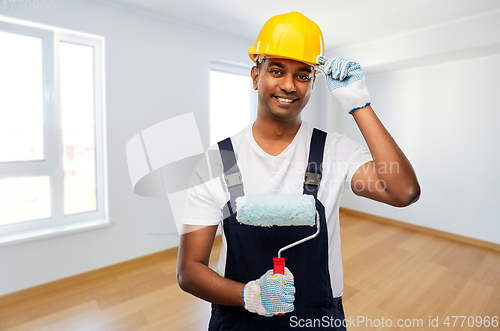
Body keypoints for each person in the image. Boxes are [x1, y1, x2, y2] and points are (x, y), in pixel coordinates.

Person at [177, 11, 420, 331]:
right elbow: (189, 271)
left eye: (303, 75)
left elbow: (403, 192)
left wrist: (359, 104)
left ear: (313, 83)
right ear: (255, 76)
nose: (289, 85)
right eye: (276, 70)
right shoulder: (216, 162)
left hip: (317, 319)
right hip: (238, 317)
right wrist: (248, 295)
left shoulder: (334, 152)